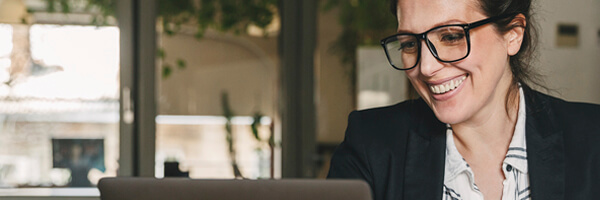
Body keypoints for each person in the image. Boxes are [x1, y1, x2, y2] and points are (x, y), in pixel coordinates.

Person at [327, 0, 600, 199]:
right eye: (410, 43)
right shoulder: (371, 145)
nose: (426, 67)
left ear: (513, 35)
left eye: (450, 36)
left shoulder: (592, 140)